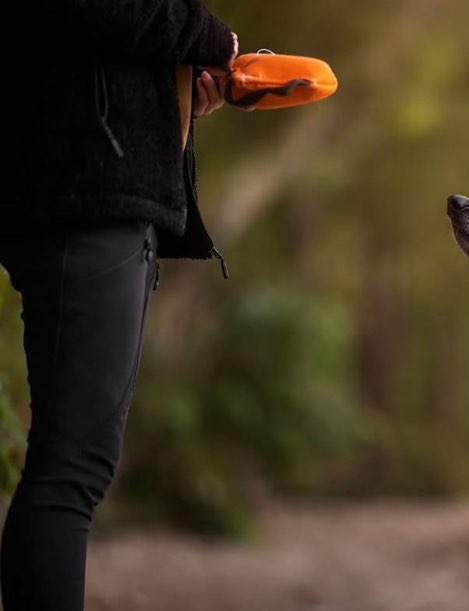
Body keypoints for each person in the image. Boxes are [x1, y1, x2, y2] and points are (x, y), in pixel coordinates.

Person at [0, 2, 240, 609]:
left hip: (85, 188)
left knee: (69, 466)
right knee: (70, 470)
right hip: (87, 193)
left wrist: (179, 88)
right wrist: (209, 37)